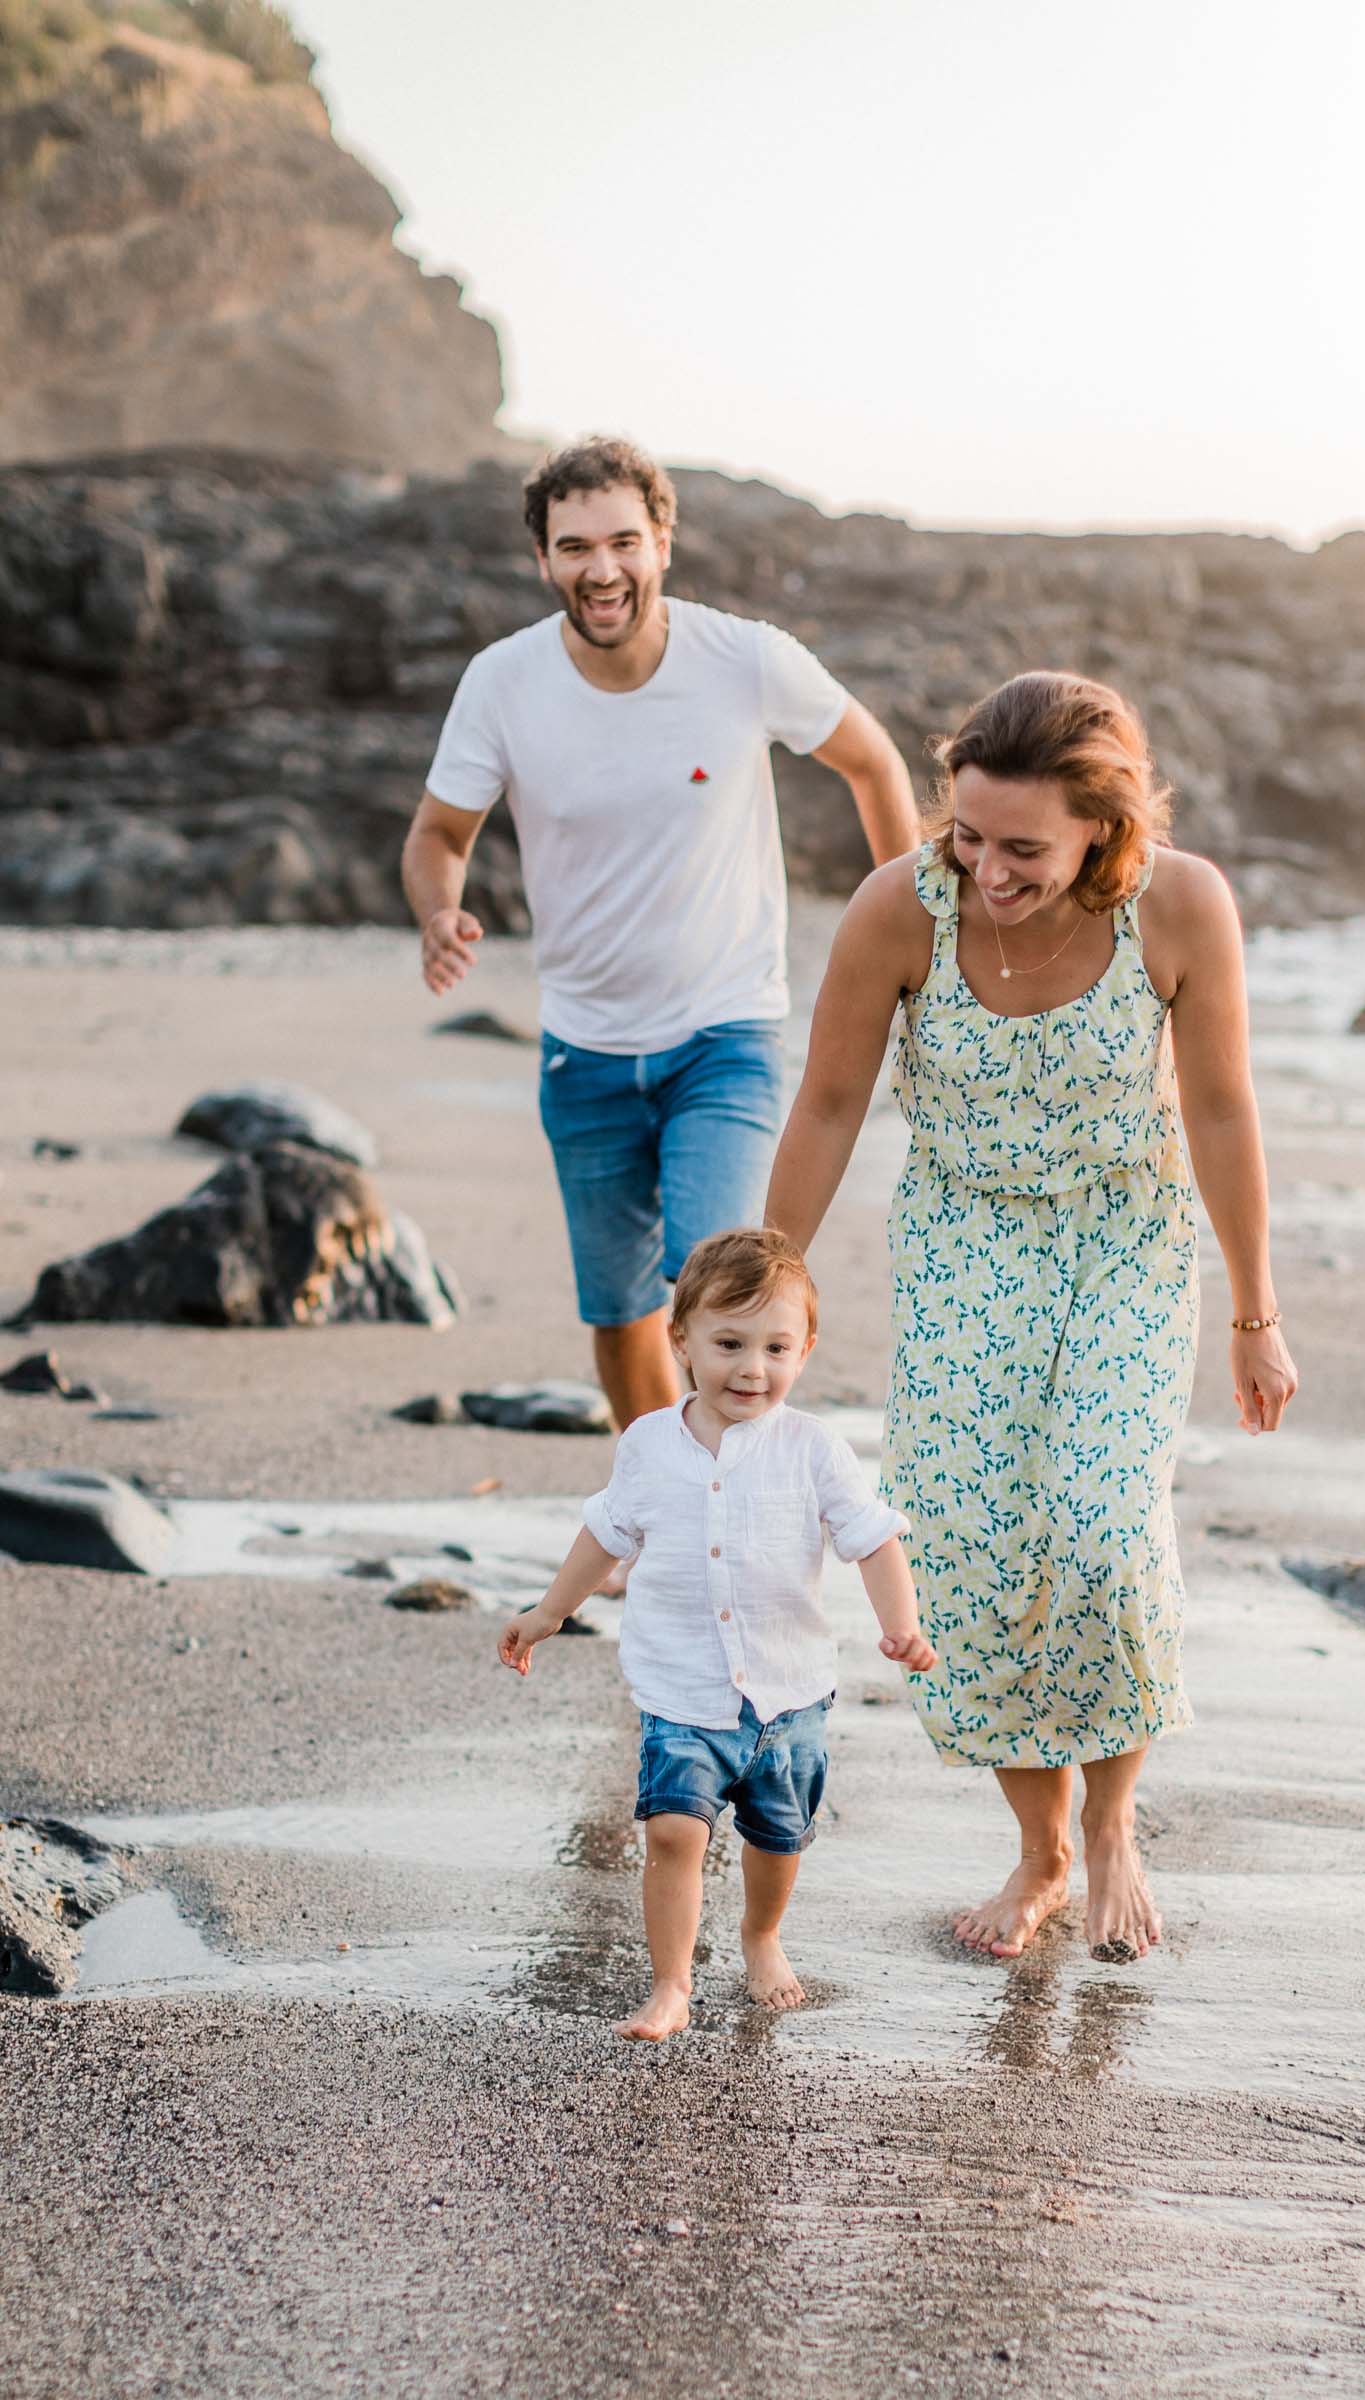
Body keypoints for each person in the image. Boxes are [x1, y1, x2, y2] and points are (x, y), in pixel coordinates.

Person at [765, 671, 1298, 1966]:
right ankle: (1039, 1848)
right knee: (976, 1553)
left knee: (1100, 1531)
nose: (987, 874)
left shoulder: (1180, 907)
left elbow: (1221, 1109)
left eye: (1024, 850)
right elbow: (831, 1103)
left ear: (1103, 833)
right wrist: (769, 1276)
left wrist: (1254, 1312)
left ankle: (1113, 1826)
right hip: (962, 1242)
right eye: (967, 836)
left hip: (1126, 1237)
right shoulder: (901, 914)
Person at [403, 436, 920, 1442]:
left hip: (724, 1039)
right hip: (582, 1051)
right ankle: (669, 1503)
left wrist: (911, 925)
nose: (601, 569)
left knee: (721, 1289)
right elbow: (439, 834)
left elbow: (873, 766)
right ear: (542, 560)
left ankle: (740, 1496)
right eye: (574, 546)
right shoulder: (502, 683)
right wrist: (438, 910)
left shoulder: (745, 660)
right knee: (619, 1313)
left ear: (663, 543)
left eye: (622, 541)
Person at [497, 1227, 935, 2041]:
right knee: (671, 1831)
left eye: (776, 1347)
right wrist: (550, 1611)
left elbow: (873, 1539)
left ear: (805, 1349)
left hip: (789, 1691)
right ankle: (671, 1985)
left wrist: (900, 1626)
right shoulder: (649, 1445)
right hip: (682, 1688)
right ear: (681, 1341)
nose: (752, 1368)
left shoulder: (814, 1450)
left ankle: (761, 1936)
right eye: (729, 1343)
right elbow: (606, 1535)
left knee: (777, 1839)